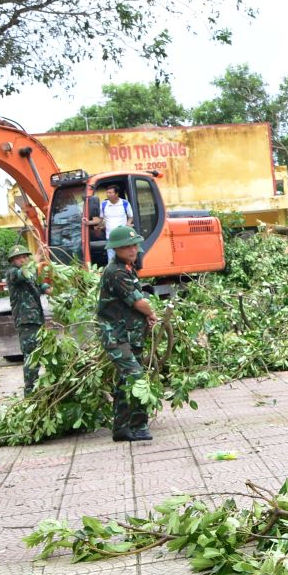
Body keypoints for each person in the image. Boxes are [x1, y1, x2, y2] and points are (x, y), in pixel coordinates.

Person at [97, 224, 158, 442]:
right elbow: (138, 301)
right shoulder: (116, 272)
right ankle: (139, 425)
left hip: (131, 335)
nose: (133, 250)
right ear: (116, 249)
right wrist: (152, 314)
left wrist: (145, 320)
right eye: (127, 247)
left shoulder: (128, 269)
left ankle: (121, 429)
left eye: (135, 245)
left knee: (125, 381)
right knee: (136, 377)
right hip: (116, 337)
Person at [4, 243, 51, 396]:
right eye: (18, 258)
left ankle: (39, 389)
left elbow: (37, 284)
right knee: (32, 357)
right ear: (12, 261)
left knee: (42, 354)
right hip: (26, 322)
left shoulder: (29, 273)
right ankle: (30, 394)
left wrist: (50, 289)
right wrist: (36, 258)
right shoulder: (12, 273)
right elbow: (24, 274)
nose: (23, 260)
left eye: (25, 257)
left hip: (37, 320)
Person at [86, 184, 133, 264]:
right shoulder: (104, 205)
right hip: (110, 237)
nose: (108, 194)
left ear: (117, 194)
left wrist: (128, 224)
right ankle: (113, 274)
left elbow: (131, 217)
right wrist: (88, 222)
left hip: (123, 237)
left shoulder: (125, 203)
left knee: (124, 258)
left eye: (110, 193)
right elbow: (99, 219)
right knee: (111, 259)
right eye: (107, 193)